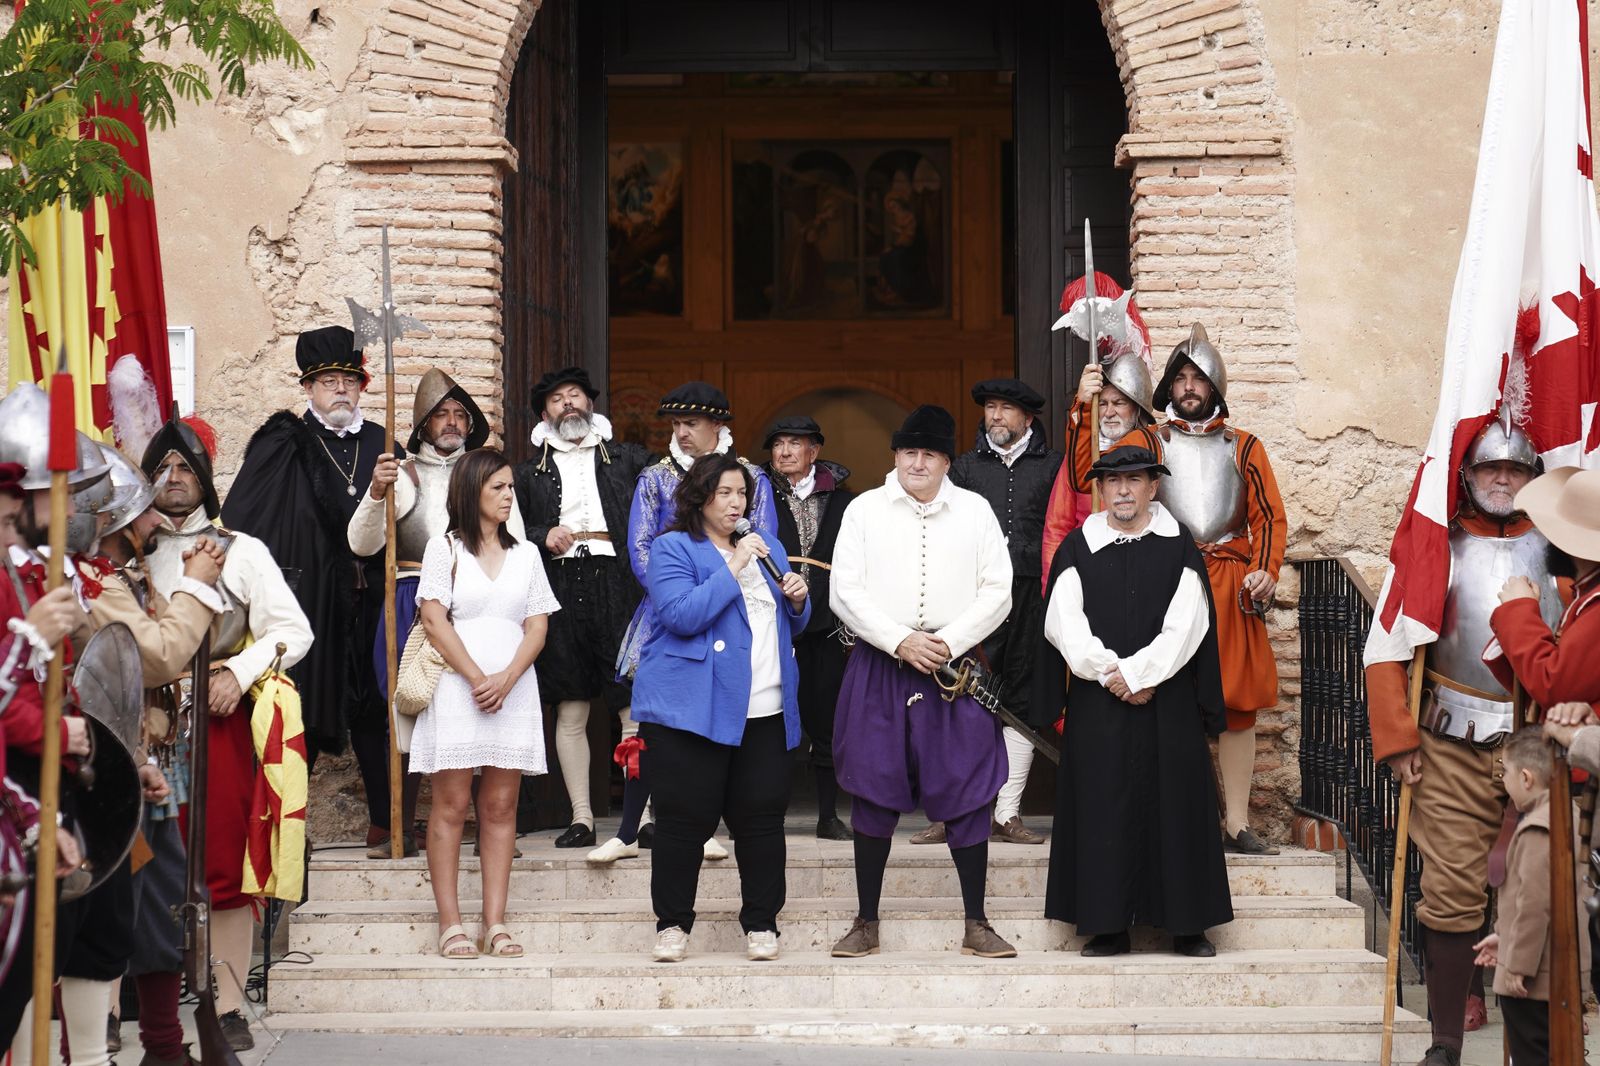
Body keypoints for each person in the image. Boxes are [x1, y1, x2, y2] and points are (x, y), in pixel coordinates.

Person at [1363, 419, 1564, 1066]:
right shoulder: (1435, 546)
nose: (1502, 479)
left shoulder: (1560, 553)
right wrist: (1397, 737)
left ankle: (1536, 1040)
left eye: (1516, 470)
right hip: (1449, 739)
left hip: (1538, 741)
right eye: (1489, 469)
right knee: (1451, 889)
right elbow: (1386, 644)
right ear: (1467, 476)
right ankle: (1446, 1040)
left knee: (1538, 888)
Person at [141, 409, 313, 1050]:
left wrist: (237, 673)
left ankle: (229, 1003)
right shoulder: (126, 553)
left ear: (207, 480)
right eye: (162, 467)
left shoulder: (243, 551)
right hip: (143, 728)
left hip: (217, 726)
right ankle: (128, 1002)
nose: (174, 477)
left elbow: (294, 631)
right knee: (141, 863)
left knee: (221, 868)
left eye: (186, 467)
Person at [827, 405, 1017, 960]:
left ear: (945, 461)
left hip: (952, 668)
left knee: (966, 786)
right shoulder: (864, 511)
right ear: (895, 456)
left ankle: (977, 923)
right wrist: (899, 640)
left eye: (929, 454)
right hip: (881, 660)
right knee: (872, 784)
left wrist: (948, 643)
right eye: (909, 452)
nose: (917, 462)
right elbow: (845, 591)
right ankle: (865, 921)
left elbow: (998, 590)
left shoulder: (977, 511)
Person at [1036, 446, 1233, 957]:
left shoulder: (1179, 546)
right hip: (1100, 703)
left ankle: (1188, 925)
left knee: (1177, 806)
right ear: (1100, 490)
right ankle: (1107, 924)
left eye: (1135, 480)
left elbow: (1188, 624)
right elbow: (1063, 623)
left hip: (1167, 702)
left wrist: (1140, 672)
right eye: (1112, 481)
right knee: (1103, 807)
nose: (1122, 490)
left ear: (1153, 487)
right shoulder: (1078, 548)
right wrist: (1112, 674)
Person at [1104, 326, 1287, 854]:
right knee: (1163, 696)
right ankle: (1172, 818)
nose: (1188, 386)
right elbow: (1104, 476)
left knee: (1235, 702)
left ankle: (1235, 822)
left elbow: (1269, 518)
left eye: (1198, 378)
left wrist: (1266, 571)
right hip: (1166, 578)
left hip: (1229, 584)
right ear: (1167, 386)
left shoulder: (1245, 446)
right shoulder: (1148, 442)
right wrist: (1088, 409)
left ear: (1215, 386)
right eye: (1180, 377)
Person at [220, 325, 398, 853]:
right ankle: (279, 825)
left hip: (371, 597)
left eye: (349, 380)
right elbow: (247, 519)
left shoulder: (381, 442)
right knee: (304, 704)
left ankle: (387, 819)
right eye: (328, 382)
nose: (340, 390)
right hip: (311, 600)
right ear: (308, 388)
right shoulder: (285, 443)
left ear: (362, 387)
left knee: (374, 706)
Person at [72, 444, 223, 1066]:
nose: (156, 520)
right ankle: (85, 1049)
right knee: (102, 918)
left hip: (140, 762)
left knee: (162, 902)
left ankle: (165, 1046)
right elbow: (158, 655)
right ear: (105, 519)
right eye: (140, 511)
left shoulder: (120, 578)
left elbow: (156, 665)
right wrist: (197, 587)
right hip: (99, 771)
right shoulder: (91, 584)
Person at [631, 453, 810, 962]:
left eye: (743, 494)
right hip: (694, 710)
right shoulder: (672, 549)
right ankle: (672, 924)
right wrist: (734, 565)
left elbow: (783, 624)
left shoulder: (769, 546)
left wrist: (797, 600)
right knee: (682, 822)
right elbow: (681, 615)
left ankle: (761, 923)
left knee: (761, 821)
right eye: (725, 493)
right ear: (700, 495)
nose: (737, 503)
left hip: (765, 707)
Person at [595, 382, 774, 864]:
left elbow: (762, 546)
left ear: (719, 426)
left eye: (691, 423)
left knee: (725, 712)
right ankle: (632, 827)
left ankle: (704, 823)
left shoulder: (752, 476)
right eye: (676, 424)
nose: (682, 432)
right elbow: (640, 548)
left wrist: (721, 585)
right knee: (651, 721)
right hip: (670, 608)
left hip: (738, 608)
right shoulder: (655, 477)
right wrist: (678, 593)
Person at [350, 367, 524, 858]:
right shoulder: (402, 475)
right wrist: (376, 493)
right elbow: (362, 543)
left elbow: (518, 547)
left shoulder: (493, 479)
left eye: (459, 415)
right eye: (441, 414)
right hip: (412, 598)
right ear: (423, 425)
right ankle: (400, 826)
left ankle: (492, 829)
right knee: (408, 706)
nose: (451, 422)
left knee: (486, 702)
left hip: (482, 602)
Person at [413, 448, 559, 961]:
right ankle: (450, 922)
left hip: (514, 688)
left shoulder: (527, 556)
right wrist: (478, 678)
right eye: (497, 487)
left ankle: (495, 922)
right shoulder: (444, 548)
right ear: (470, 491)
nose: (508, 496)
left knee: (500, 807)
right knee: (451, 806)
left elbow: (538, 625)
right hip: (459, 687)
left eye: (510, 488)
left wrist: (507, 677)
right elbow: (434, 620)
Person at [514, 367, 650, 850]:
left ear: (589, 404)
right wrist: (540, 534)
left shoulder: (630, 459)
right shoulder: (527, 474)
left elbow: (664, 503)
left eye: (575, 396)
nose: (567, 404)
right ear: (545, 414)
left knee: (632, 703)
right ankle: (582, 817)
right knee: (570, 706)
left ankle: (645, 815)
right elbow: (510, 527)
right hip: (560, 584)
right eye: (556, 400)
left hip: (619, 583)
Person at [935, 378, 1062, 847]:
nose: (996, 416)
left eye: (1006, 409)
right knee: (964, 697)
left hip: (1033, 593)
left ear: (1027, 419)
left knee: (1024, 700)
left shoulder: (1053, 466)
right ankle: (956, 812)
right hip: (975, 597)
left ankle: (1007, 814)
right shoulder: (964, 469)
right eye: (990, 407)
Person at [762, 415, 854, 840]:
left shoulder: (843, 501)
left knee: (827, 718)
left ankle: (827, 815)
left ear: (813, 452)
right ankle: (767, 815)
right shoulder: (756, 496)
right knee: (770, 717)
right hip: (771, 620)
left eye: (794, 444)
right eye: (778, 444)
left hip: (826, 625)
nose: (783, 452)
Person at [1469, 730, 1558, 1066]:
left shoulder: (1537, 828)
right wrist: (1504, 938)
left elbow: (1535, 905)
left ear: (1525, 777)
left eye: (1505, 772)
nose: (1501, 780)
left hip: (1532, 980)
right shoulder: (1565, 818)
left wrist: (1517, 965)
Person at [1041, 354, 1157, 593]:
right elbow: (1057, 528)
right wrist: (1053, 589)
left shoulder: (1156, 455)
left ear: (1136, 409)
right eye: (1102, 403)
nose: (1109, 412)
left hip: (1143, 575)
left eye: (1119, 403)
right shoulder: (1078, 460)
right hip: (1088, 574)